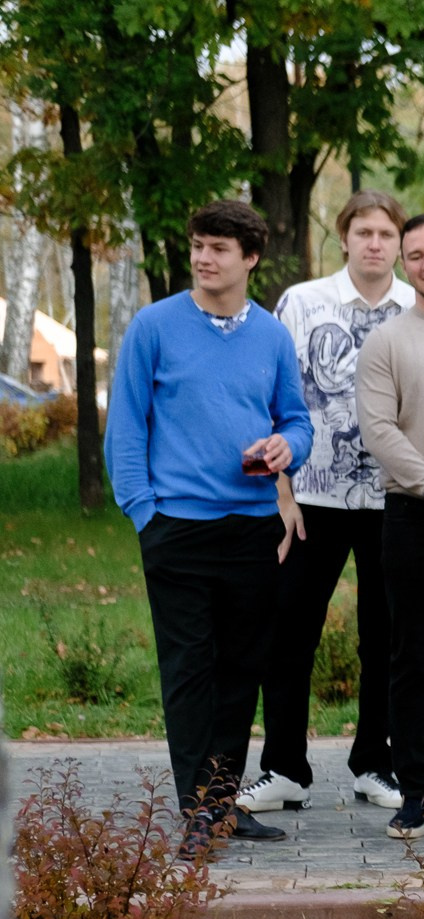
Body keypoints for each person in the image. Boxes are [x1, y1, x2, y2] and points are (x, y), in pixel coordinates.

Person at [105, 200, 311, 856]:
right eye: (198, 244)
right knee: (189, 668)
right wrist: (145, 512)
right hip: (177, 528)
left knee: (240, 670)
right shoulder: (154, 326)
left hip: (252, 528)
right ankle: (197, 807)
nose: (203, 257)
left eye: (219, 247)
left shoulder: (273, 336)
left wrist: (288, 448)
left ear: (250, 258)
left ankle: (223, 803)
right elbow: (125, 426)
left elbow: (297, 420)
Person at [239, 191, 412, 818]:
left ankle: (375, 761)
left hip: (396, 499)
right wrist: (278, 493)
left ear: (398, 242)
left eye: (385, 234)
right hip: (311, 495)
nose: (374, 243)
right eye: (363, 231)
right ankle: (285, 767)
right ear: (344, 238)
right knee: (289, 632)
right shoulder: (302, 303)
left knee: (387, 636)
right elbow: (271, 401)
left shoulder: (420, 308)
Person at [356, 212, 424, 839]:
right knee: (412, 658)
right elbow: (381, 432)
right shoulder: (388, 341)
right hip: (414, 515)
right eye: (415, 254)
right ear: (402, 262)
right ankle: (420, 787)